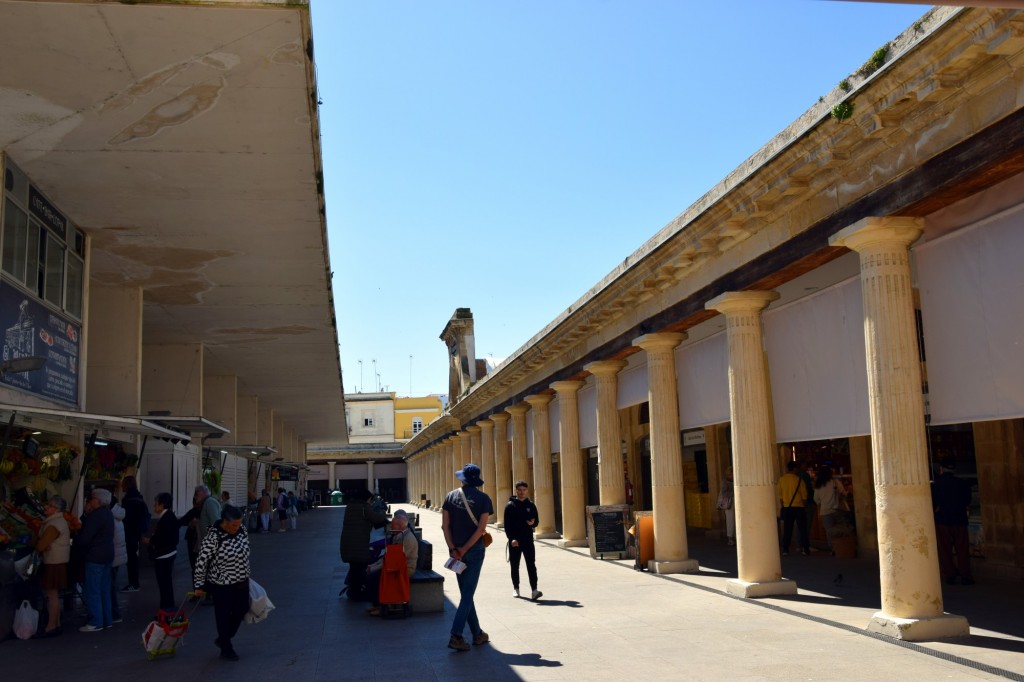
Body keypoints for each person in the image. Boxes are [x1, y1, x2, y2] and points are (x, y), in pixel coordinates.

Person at [442, 463, 493, 652]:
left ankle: (477, 633)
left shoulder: (450, 496)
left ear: (462, 479)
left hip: (455, 552)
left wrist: (454, 548)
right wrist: (464, 549)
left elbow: (445, 526)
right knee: (467, 594)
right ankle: (456, 635)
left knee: (466, 593)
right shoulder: (484, 499)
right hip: (475, 551)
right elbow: (481, 529)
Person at [193, 504, 251, 661]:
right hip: (222, 584)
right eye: (234, 525)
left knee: (242, 609)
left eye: (239, 523)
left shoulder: (242, 531)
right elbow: (201, 562)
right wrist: (198, 586)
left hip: (242, 581)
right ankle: (226, 647)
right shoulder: (213, 537)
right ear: (225, 521)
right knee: (223, 616)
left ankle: (224, 637)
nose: (237, 527)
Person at [364, 509, 419, 616]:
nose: (391, 527)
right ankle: (377, 604)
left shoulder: (407, 539)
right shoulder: (397, 535)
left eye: (393, 525)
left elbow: (396, 561)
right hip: (396, 566)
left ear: (400, 526)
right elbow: (388, 557)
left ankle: (380, 606)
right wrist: (373, 565)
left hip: (405, 569)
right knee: (371, 575)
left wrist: (374, 568)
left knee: (372, 578)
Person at [339, 488, 389, 600]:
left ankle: (353, 591)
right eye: (371, 500)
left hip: (348, 543)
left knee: (354, 568)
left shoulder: (350, 506)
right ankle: (356, 593)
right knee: (360, 568)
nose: (371, 502)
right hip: (358, 544)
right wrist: (383, 511)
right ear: (367, 499)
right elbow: (377, 518)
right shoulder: (364, 507)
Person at [76, 488, 115, 632]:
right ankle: (107, 619)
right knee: (104, 589)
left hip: (95, 556)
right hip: (107, 555)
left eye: (91, 499)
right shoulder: (108, 514)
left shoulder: (95, 516)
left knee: (93, 590)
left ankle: (96, 621)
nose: (89, 501)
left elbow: (85, 538)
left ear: (97, 501)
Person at [932, 461, 975, 585]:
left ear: (941, 469)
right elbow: (967, 500)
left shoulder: (936, 485)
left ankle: (949, 575)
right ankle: (965, 575)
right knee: (962, 549)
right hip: (959, 519)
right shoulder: (962, 484)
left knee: (945, 549)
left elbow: (933, 503)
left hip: (943, 520)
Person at [33, 495, 70, 638]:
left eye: (49, 506)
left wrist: (38, 543)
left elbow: (41, 546)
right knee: (54, 595)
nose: (46, 508)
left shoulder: (53, 525)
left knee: (52, 596)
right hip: (58, 561)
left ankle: (51, 626)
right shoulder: (58, 521)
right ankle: (57, 624)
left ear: (55, 509)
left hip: (54, 562)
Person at [504, 480, 542, 601]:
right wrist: (511, 539)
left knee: (531, 565)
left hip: (528, 540)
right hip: (515, 541)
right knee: (515, 565)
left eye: (524, 490)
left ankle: (534, 590)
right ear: (516, 491)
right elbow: (507, 525)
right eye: (519, 490)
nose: (522, 492)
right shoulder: (510, 506)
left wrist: (533, 523)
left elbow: (536, 521)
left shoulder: (531, 505)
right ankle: (516, 588)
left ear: (527, 491)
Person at [144, 492, 180, 613]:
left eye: (156, 504)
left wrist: (150, 540)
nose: (154, 507)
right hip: (169, 553)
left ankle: (167, 611)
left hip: (163, 554)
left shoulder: (166, 518)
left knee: (164, 584)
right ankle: (166, 610)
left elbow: (161, 537)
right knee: (166, 584)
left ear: (162, 504)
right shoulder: (170, 516)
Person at [119, 475, 150, 592]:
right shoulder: (138, 498)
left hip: (130, 532)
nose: (121, 486)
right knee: (133, 557)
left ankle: (133, 583)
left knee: (131, 558)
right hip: (136, 532)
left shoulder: (130, 500)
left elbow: (127, 517)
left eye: (123, 483)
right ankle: (134, 583)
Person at [777, 461, 809, 556]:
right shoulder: (799, 480)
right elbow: (804, 497)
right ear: (795, 469)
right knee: (802, 529)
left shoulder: (782, 480)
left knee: (787, 529)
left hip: (787, 507)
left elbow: (780, 496)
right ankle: (805, 549)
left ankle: (785, 549)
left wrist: (784, 504)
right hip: (799, 507)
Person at [813, 466, 847, 554]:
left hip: (825, 511)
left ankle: (833, 549)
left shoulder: (818, 486)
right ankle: (843, 546)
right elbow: (843, 493)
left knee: (829, 531)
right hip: (837, 510)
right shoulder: (835, 483)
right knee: (842, 528)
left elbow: (816, 500)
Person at [109, 499, 127, 623]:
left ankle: (114, 613)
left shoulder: (110, 518)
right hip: (118, 555)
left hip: (113, 555)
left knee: (110, 586)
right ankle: (114, 612)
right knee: (112, 585)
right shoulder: (118, 515)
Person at [717, 467, 735, 546]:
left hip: (735, 502)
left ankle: (736, 537)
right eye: (731, 474)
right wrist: (734, 492)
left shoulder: (735, 481)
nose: (732, 475)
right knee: (730, 520)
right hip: (729, 504)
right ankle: (730, 538)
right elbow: (724, 493)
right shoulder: (725, 482)